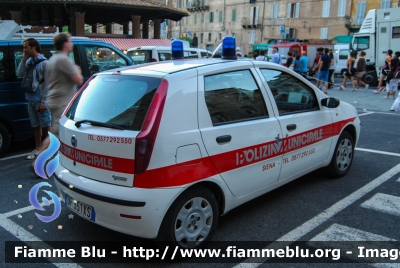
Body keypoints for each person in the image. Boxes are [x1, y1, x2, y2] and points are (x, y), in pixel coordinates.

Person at [32, 33, 83, 171]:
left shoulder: (53, 58)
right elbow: (78, 80)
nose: (71, 44)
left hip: (55, 100)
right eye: (70, 41)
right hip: (63, 102)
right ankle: (39, 161)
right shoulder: (63, 60)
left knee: (57, 133)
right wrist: (77, 70)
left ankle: (44, 160)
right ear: (65, 44)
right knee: (56, 134)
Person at [16, 38, 51, 160]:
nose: (24, 50)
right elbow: (20, 73)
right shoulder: (29, 61)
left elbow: (47, 84)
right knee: (35, 125)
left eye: (26, 47)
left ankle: (49, 149)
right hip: (30, 98)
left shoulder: (44, 63)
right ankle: (37, 148)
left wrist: (44, 102)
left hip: (39, 99)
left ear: (33, 47)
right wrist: (24, 58)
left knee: (46, 125)